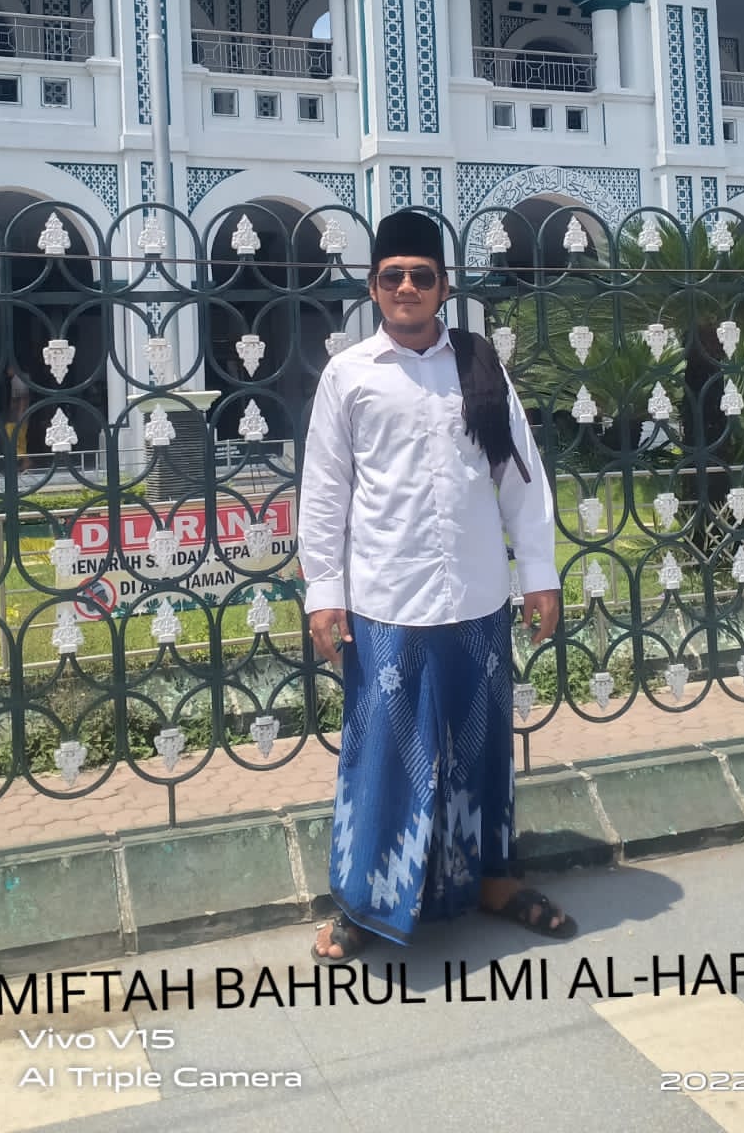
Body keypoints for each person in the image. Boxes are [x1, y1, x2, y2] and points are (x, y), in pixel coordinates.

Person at [297, 210, 575, 964]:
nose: (408, 288)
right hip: (387, 598)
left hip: (477, 594)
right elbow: (324, 491)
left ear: (444, 288)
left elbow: (518, 475)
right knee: (384, 753)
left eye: (422, 276)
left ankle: (492, 879)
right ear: (373, 288)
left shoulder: (479, 366)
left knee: (481, 748)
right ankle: (365, 900)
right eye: (393, 276)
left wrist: (538, 574)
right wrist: (324, 591)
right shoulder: (350, 375)